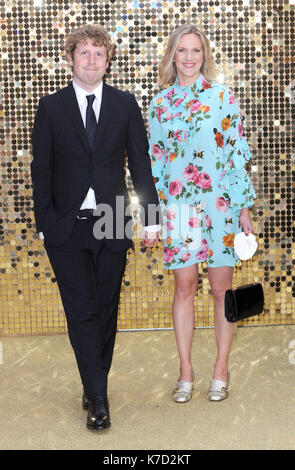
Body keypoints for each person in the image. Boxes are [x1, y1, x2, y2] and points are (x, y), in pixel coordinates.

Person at [31, 24, 160, 430]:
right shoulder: (51, 107)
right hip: (65, 226)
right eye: (83, 53)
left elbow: (141, 165)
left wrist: (152, 219)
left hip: (113, 220)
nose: (91, 60)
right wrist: (43, 223)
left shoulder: (125, 105)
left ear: (108, 61)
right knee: (81, 312)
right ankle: (99, 399)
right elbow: (41, 170)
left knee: (105, 310)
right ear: (70, 58)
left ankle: (92, 380)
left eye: (98, 54)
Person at [148, 24, 256, 403]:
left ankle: (220, 369)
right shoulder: (160, 105)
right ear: (172, 56)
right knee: (184, 286)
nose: (190, 57)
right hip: (179, 208)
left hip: (222, 207)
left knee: (220, 288)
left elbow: (236, 155)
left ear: (204, 55)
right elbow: (156, 163)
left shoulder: (224, 98)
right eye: (182, 50)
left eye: (196, 50)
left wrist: (243, 209)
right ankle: (185, 370)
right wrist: (157, 213)